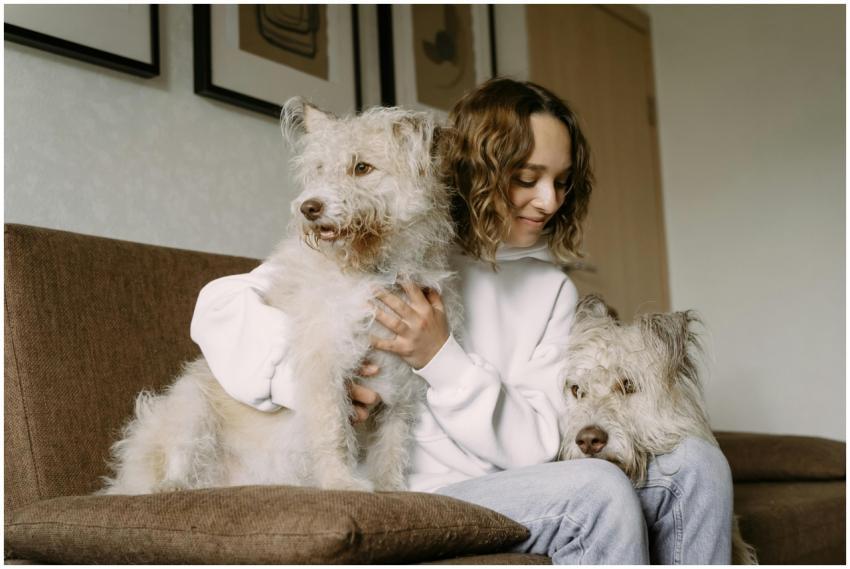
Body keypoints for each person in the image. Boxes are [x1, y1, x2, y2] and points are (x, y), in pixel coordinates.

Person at [190, 78, 733, 564]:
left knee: (697, 465)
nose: (547, 201)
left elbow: (538, 445)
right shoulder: (391, 239)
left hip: (514, 484)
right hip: (416, 489)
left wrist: (439, 356)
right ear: (475, 168)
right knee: (598, 492)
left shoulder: (551, 291)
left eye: (562, 183)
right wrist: (313, 387)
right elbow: (219, 308)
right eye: (526, 178)